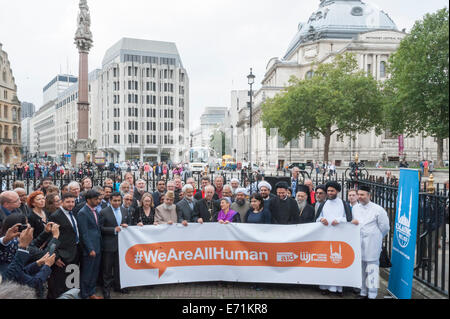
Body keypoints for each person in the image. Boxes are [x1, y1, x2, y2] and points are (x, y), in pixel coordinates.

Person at [351, 185, 390, 300]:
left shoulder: (378, 209)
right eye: (359, 195)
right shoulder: (355, 208)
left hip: (372, 243)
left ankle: (372, 294)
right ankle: (363, 292)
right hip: (359, 243)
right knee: (362, 269)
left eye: (362, 195)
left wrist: (376, 236)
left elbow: (385, 227)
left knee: (372, 268)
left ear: (369, 195)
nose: (360, 197)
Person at [315, 181, 352, 296]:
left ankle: (337, 288)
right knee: (326, 262)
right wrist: (321, 220)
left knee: (338, 262)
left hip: (340, 238)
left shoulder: (344, 204)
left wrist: (340, 221)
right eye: (328, 191)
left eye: (332, 191)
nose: (330, 193)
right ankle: (324, 287)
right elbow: (316, 219)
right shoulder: (323, 204)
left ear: (338, 191)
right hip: (325, 238)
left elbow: (349, 220)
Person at [46, 193, 81, 299]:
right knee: (59, 283)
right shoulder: (55, 216)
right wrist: (55, 257)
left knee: (72, 281)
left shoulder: (73, 213)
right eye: (68, 202)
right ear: (61, 202)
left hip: (74, 253)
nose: (71, 204)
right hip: (62, 255)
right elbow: (51, 238)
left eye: (73, 202)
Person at [99, 192, 131, 298]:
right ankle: (106, 290)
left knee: (119, 268)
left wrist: (127, 226)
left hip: (122, 245)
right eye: (114, 201)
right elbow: (100, 228)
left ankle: (119, 286)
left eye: (119, 200)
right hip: (108, 245)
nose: (117, 203)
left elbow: (129, 225)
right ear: (110, 201)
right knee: (107, 269)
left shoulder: (125, 210)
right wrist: (113, 230)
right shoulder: (103, 212)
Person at [76, 190, 104, 300]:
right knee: (87, 273)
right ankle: (85, 294)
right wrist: (90, 249)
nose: (98, 201)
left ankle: (91, 293)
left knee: (94, 272)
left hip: (98, 246)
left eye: (98, 199)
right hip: (90, 249)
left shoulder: (95, 211)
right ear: (88, 200)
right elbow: (84, 233)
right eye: (96, 199)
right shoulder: (83, 212)